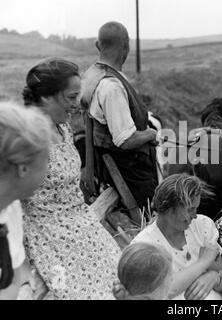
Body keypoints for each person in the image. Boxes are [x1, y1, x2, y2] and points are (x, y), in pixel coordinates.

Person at [21, 58, 121, 300]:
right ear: (46, 97)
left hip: (82, 224)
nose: (77, 104)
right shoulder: (25, 139)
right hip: (49, 235)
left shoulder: (62, 128)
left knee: (123, 281)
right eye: (71, 97)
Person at [81, 21, 158, 210]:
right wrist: (150, 134)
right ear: (126, 46)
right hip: (130, 172)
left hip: (105, 163)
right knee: (155, 214)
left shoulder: (92, 74)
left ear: (98, 46)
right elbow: (126, 140)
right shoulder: (112, 86)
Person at [131, 174, 222, 300]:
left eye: (196, 209)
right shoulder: (144, 246)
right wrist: (202, 263)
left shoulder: (202, 226)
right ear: (168, 208)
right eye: (190, 209)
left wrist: (215, 277)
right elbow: (160, 293)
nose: (194, 215)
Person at [0, 102, 52, 299]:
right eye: (45, 160)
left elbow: (14, 273)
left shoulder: (10, 207)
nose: (48, 170)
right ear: (23, 168)